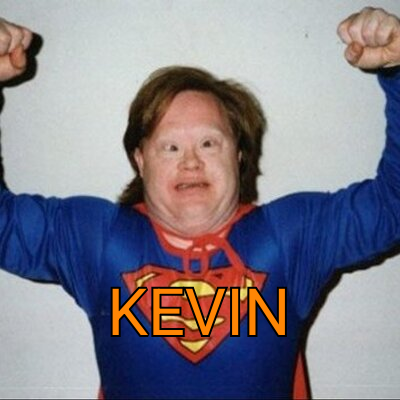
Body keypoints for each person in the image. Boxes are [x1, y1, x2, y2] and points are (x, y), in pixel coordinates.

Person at [0, 6, 400, 399]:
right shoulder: (97, 242)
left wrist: (398, 70)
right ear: (140, 160)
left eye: (209, 143)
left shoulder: (292, 239)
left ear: (238, 155)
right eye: (170, 147)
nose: (190, 161)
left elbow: (392, 206)